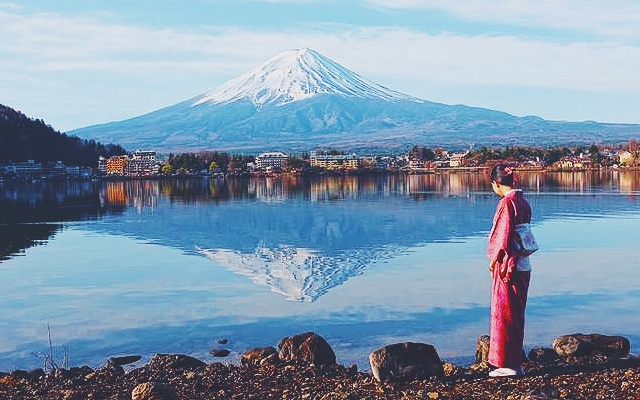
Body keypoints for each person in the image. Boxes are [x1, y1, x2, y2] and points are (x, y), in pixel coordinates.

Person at [486, 164, 532, 377]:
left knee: (505, 314)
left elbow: (502, 239)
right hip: (523, 264)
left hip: (509, 266)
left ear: (496, 183)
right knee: (516, 313)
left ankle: (508, 365)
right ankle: (516, 362)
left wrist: (494, 260)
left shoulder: (507, 204)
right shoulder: (522, 203)